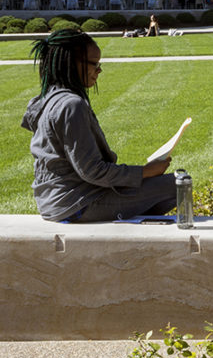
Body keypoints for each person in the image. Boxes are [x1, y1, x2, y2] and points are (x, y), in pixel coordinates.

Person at [21, 26, 177, 221]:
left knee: (154, 186)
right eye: (94, 64)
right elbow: (92, 170)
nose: (99, 70)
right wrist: (145, 172)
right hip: (77, 204)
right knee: (179, 183)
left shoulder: (47, 100)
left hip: (56, 202)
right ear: (72, 64)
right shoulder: (71, 105)